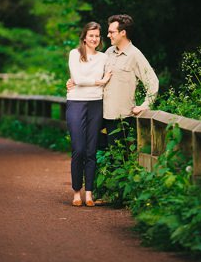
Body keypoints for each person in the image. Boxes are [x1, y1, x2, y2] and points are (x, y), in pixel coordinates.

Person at [65, 22, 111, 207]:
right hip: (76, 102)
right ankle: (77, 192)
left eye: (97, 36)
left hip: (96, 104)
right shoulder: (74, 54)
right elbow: (77, 78)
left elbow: (108, 78)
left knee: (91, 150)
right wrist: (100, 82)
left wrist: (95, 83)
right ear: (84, 37)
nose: (94, 39)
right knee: (79, 149)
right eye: (91, 35)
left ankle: (89, 193)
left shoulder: (103, 57)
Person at [100, 13, 159, 147]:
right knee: (96, 152)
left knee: (117, 158)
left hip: (120, 118)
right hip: (101, 114)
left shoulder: (135, 55)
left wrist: (145, 105)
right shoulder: (108, 52)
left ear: (123, 33)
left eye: (111, 32)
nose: (108, 35)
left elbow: (152, 81)